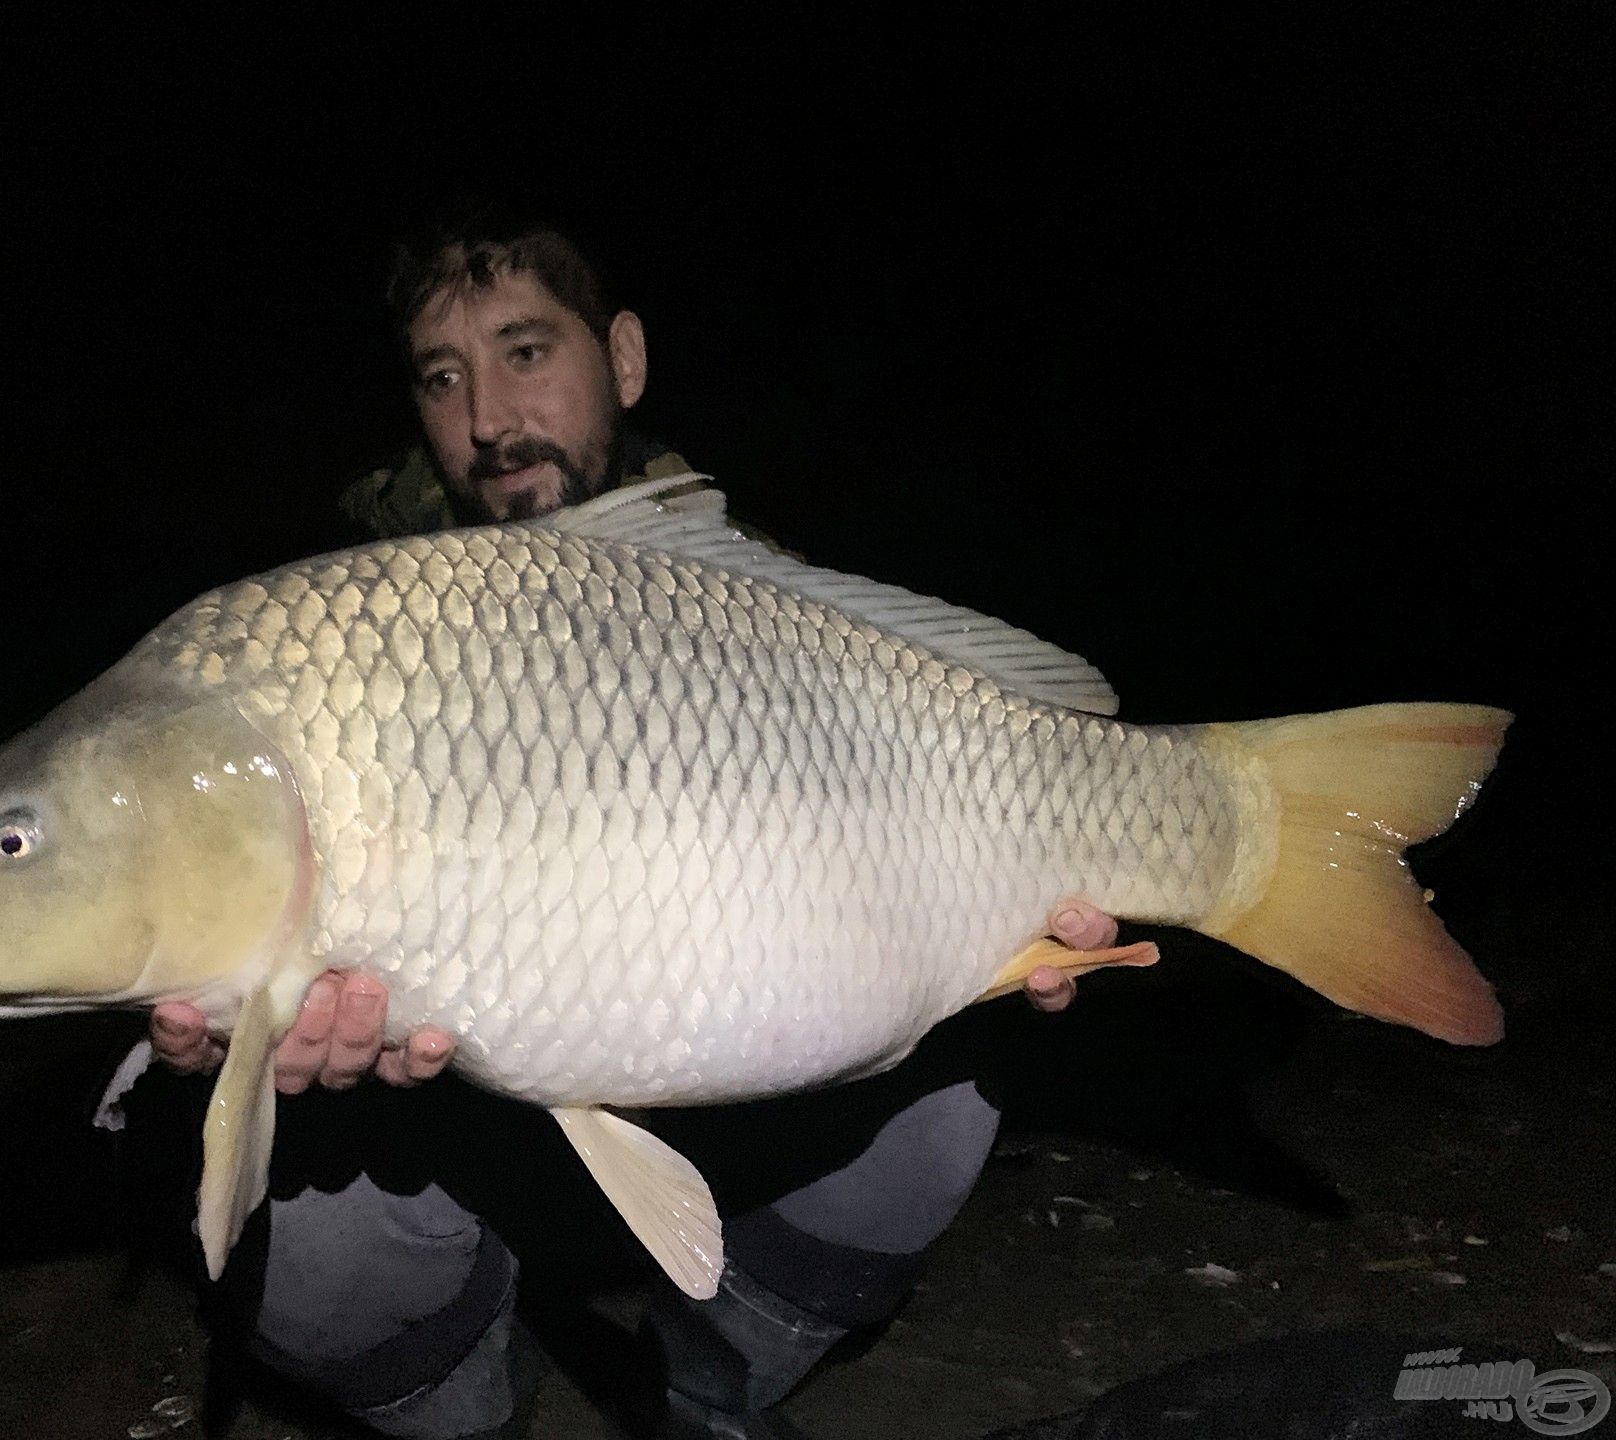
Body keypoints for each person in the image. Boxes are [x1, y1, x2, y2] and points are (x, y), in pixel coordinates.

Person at [141, 214, 1139, 1439]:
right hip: (447, 1133)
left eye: (524, 353)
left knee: (946, 1097)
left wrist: (1009, 921)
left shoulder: (746, 584)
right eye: (443, 378)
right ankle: (468, 1410)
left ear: (622, 358)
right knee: (279, 1223)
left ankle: (705, 1383)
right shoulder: (343, 622)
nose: (490, 418)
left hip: (729, 1086)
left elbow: (909, 841)